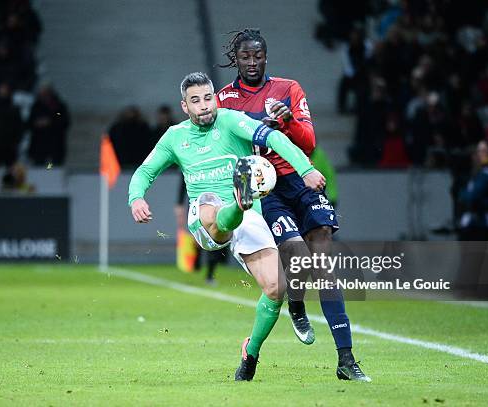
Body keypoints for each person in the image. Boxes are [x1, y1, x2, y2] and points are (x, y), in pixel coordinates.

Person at [128, 72, 325, 381]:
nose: (205, 105)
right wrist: (136, 198)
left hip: (248, 218)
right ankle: (239, 200)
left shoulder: (232, 120)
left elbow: (273, 137)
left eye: (208, 98)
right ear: (185, 106)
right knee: (213, 207)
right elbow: (145, 171)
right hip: (204, 214)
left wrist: (306, 168)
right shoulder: (175, 137)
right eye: (196, 101)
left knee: (277, 288)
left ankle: (251, 352)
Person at [217, 28, 370, 381]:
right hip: (265, 189)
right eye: (245, 57)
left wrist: (286, 119)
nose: (252, 63)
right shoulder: (225, 99)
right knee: (297, 256)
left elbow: (309, 141)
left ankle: (346, 359)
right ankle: (296, 303)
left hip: (299, 180)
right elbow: (227, 148)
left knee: (324, 262)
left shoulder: (288, 89)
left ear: (266, 57)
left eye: (258, 56)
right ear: (236, 60)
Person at [28, 84, 70, 166]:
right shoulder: (36, 107)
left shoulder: (58, 107)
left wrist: (51, 122)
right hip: (39, 147)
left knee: (50, 168)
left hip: (54, 146)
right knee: (39, 168)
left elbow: (63, 120)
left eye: (46, 92)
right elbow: (30, 123)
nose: (44, 95)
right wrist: (37, 123)